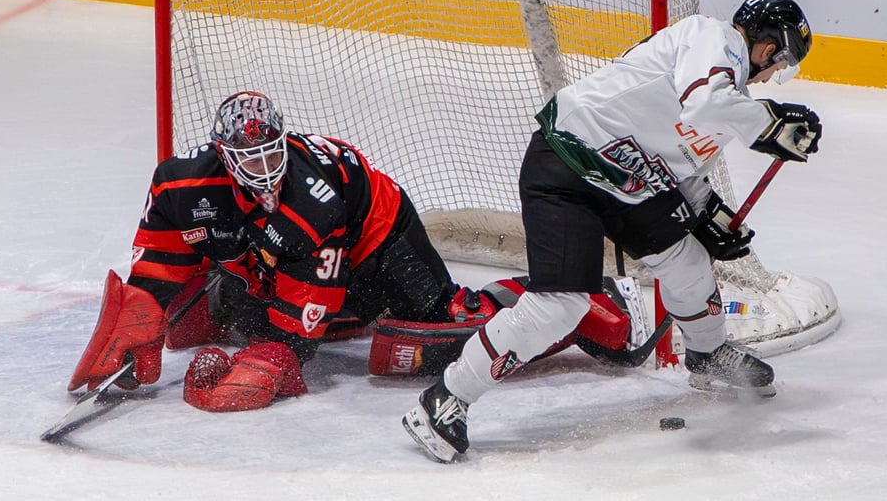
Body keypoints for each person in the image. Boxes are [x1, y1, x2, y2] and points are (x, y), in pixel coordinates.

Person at [402, 0, 825, 463]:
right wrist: (772, 125)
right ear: (769, 46)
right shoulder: (714, 37)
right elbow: (703, 106)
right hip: (567, 164)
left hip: (629, 182)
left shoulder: (729, 93)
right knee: (558, 307)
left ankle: (707, 354)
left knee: (687, 260)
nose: (774, 76)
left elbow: (685, 165)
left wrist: (710, 215)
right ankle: (444, 398)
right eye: (780, 63)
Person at [66, 91, 641, 413]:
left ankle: (581, 303)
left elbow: (302, 316)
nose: (266, 170)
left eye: (273, 154)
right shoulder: (180, 184)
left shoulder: (313, 203)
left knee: (428, 337)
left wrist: (277, 353)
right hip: (280, 257)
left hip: (377, 239)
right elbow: (165, 254)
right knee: (195, 323)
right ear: (222, 153)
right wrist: (143, 310)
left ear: (283, 141)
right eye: (252, 158)